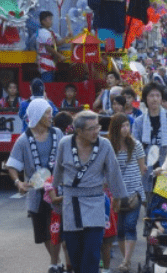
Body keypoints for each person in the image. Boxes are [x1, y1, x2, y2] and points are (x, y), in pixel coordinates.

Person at [50, 110, 126, 273]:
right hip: (72, 202)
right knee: (75, 255)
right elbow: (58, 170)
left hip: (95, 201)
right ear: (78, 131)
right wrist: (53, 192)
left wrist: (118, 198)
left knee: (92, 253)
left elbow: (113, 171)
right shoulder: (65, 143)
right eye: (91, 129)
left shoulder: (104, 145)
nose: (96, 131)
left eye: (97, 126)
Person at [6, 99, 64, 273]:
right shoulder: (24, 140)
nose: (50, 115)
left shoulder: (58, 133)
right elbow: (12, 165)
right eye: (47, 113)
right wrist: (18, 182)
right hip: (37, 192)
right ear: (37, 115)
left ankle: (55, 264)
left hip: (58, 190)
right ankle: (56, 260)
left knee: (57, 227)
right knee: (44, 232)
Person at [107, 113, 146, 272]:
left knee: (130, 226)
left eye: (127, 125)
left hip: (134, 193)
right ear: (115, 128)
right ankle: (126, 260)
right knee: (120, 229)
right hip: (116, 194)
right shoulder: (109, 146)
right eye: (122, 126)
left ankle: (126, 260)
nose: (126, 129)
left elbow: (142, 168)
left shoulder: (136, 145)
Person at [131, 83, 167, 194]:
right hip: (147, 170)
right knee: (150, 206)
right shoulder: (139, 122)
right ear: (145, 99)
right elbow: (135, 146)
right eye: (151, 96)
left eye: (158, 96)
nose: (155, 99)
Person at [37, 11, 70, 83]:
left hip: (51, 61)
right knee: (48, 83)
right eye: (49, 19)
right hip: (45, 62)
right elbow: (48, 47)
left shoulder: (49, 32)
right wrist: (60, 56)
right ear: (43, 21)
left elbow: (55, 44)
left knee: (51, 81)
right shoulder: (43, 32)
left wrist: (66, 38)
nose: (51, 21)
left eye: (51, 19)